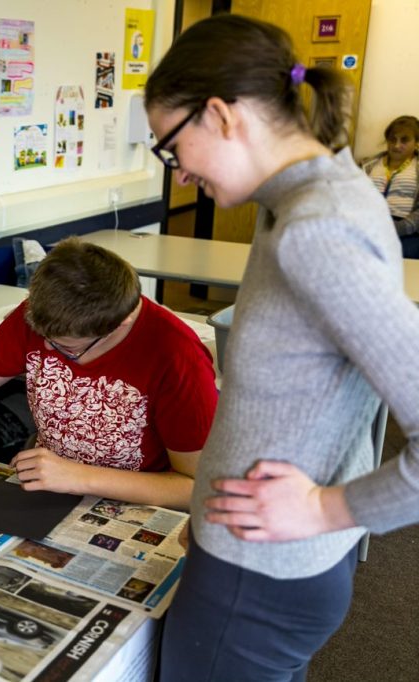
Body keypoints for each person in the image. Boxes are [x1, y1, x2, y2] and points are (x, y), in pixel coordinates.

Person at [143, 14, 419, 681]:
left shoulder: (316, 229)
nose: (177, 176)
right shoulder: (309, 193)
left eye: (171, 148)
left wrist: (330, 506)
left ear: (221, 115)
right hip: (252, 562)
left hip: (260, 578)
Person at [0, 237, 218, 516]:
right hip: (51, 487)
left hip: (135, 504)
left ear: (119, 324)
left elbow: (196, 488)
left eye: (65, 348)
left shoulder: (177, 357)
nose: (44, 348)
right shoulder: (44, 315)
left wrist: (77, 476)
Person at [361, 115, 419, 257]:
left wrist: (398, 228)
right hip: (368, 227)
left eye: (404, 140)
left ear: (416, 142)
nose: (397, 145)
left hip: (405, 232)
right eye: (392, 139)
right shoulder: (368, 166)